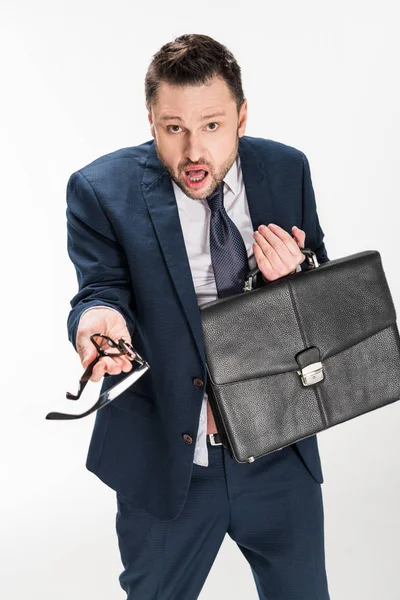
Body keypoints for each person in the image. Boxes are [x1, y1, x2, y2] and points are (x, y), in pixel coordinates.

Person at [66, 33, 331, 599]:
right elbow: (100, 290)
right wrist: (97, 322)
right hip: (171, 463)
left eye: (211, 125)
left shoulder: (287, 170)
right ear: (151, 120)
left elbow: (324, 300)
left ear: (241, 116)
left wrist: (297, 276)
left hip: (280, 452)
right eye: (173, 128)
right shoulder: (100, 190)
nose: (192, 152)